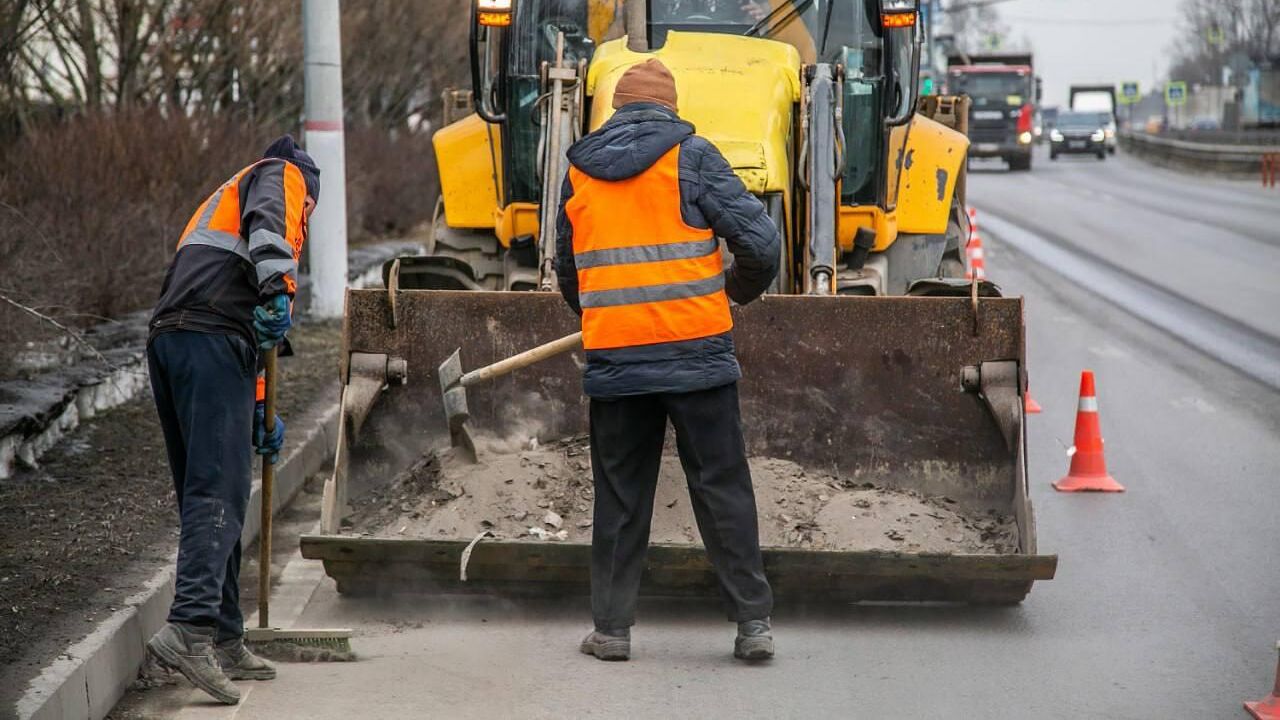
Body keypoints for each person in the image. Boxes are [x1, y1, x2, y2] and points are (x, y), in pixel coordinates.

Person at [555, 59, 780, 662]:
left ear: (615, 109)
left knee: (621, 497)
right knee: (722, 488)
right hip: (697, 353)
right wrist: (730, 291)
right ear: (670, 109)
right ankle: (752, 625)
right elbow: (761, 245)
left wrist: (607, 314)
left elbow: (568, 272)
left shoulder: (578, 169)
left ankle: (611, 630)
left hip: (617, 359)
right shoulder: (693, 156)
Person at [144, 135, 319, 705]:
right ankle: (190, 631)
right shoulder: (281, 174)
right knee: (217, 494)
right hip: (211, 339)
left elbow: (255, 334)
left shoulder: (224, 199)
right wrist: (280, 287)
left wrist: (260, 414)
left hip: (182, 342)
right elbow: (271, 236)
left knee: (211, 490)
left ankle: (223, 633)